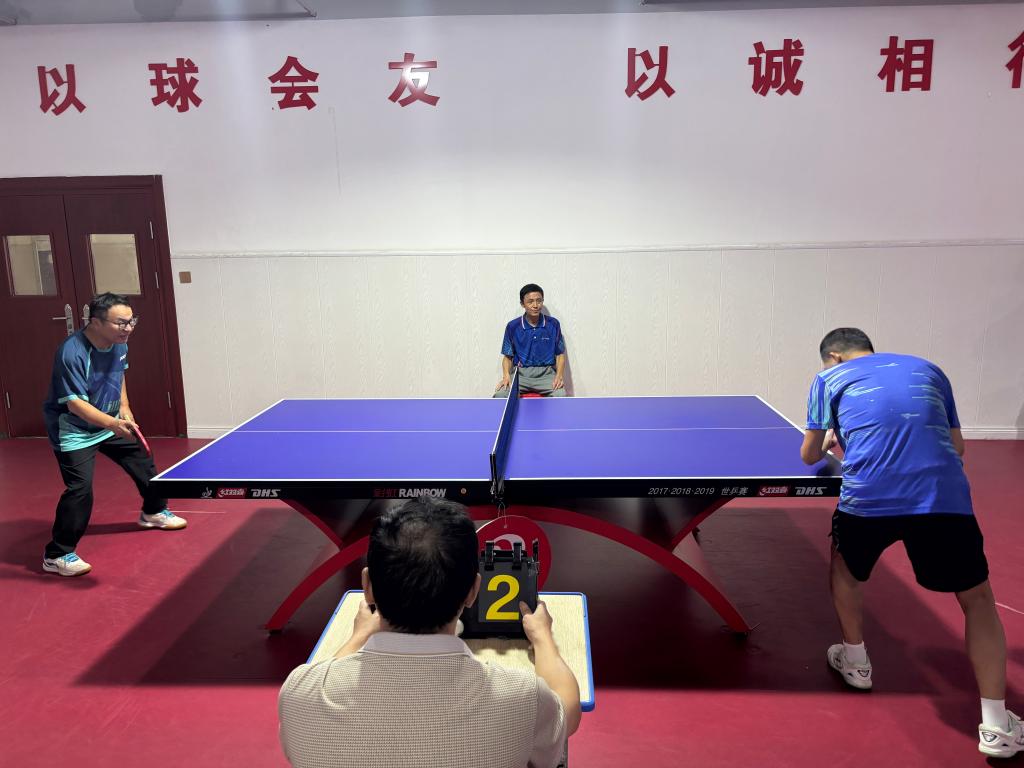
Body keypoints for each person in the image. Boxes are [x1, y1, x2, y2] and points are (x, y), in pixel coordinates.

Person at [800, 327, 1022, 759]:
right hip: (942, 498)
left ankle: (856, 662)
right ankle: (997, 725)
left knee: (845, 568)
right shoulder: (929, 369)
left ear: (834, 357)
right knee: (977, 600)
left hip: (868, 500)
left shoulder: (827, 379)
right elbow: (957, 445)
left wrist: (830, 439)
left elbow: (809, 456)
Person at [278, 497, 581, 768]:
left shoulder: (299, 693)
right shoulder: (523, 697)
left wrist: (358, 637)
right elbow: (567, 711)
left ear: (367, 587)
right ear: (473, 591)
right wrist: (543, 638)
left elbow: (321, 680)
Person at [41, 292, 186, 577]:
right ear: (95, 322)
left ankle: (153, 512)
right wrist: (112, 423)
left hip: (109, 421)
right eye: (121, 323)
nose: (128, 328)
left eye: (132, 321)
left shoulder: (119, 343)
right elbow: (75, 403)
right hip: (74, 430)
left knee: (142, 459)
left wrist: (124, 407)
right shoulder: (72, 352)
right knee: (79, 490)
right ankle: (57, 555)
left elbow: (119, 375)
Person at [494, 283, 567, 398]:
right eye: (530, 301)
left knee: (560, 395)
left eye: (539, 301)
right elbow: (507, 357)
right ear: (522, 304)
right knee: (500, 395)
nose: (535, 305)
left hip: (546, 374)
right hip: (520, 375)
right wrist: (506, 376)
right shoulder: (513, 326)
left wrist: (559, 376)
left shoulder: (553, 324)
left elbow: (560, 355)